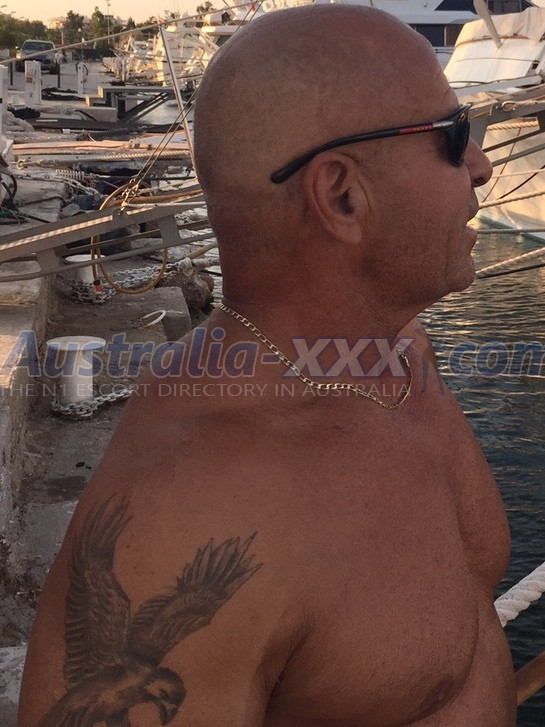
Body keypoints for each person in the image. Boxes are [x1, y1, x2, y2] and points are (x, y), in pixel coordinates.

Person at [17, 5, 513, 727]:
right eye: (455, 135)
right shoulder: (193, 506)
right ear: (342, 195)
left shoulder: (403, 352)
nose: (482, 165)